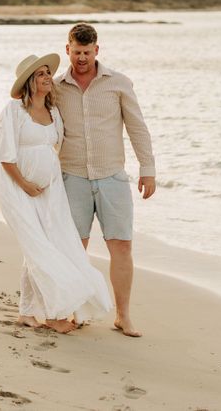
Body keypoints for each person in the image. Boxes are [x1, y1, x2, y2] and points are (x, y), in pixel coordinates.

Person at [0, 53, 114, 334]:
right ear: (29, 82)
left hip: (51, 191)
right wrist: (26, 184)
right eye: (41, 74)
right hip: (17, 189)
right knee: (39, 249)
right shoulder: (14, 111)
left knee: (44, 247)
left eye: (48, 72)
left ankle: (27, 312)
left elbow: (56, 149)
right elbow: (5, 157)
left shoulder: (53, 112)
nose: (48, 77)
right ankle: (54, 314)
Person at [54, 23, 156, 337]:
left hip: (112, 177)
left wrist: (148, 168)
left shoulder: (119, 83)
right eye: (76, 52)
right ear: (67, 49)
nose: (82, 58)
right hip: (72, 177)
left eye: (87, 52)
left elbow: (137, 127)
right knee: (74, 248)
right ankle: (74, 311)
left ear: (96, 50)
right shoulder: (57, 88)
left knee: (121, 245)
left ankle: (123, 316)